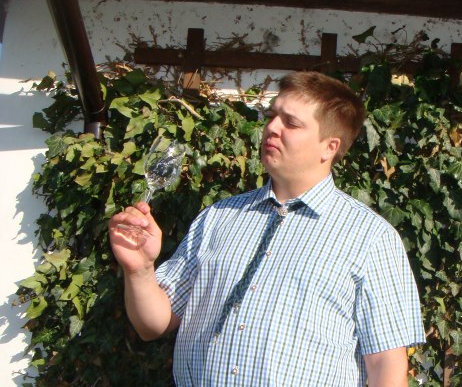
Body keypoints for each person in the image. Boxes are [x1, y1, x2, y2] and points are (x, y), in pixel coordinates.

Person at [109, 71, 425, 386]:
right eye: (272, 115)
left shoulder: (370, 238)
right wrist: (140, 270)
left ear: (329, 147)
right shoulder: (218, 217)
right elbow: (153, 325)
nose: (272, 127)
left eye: (291, 122)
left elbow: (386, 366)